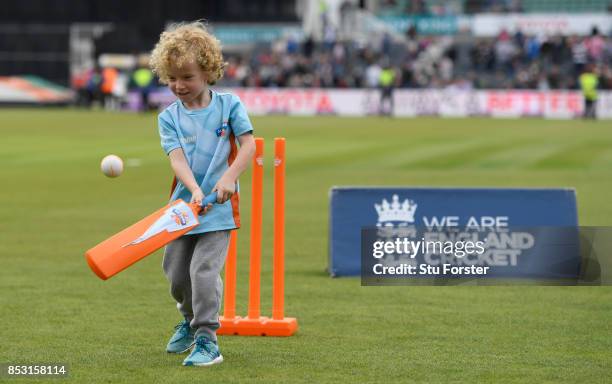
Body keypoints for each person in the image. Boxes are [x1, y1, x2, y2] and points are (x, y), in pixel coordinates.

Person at [149, 21, 256, 367]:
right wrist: (194, 189)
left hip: (220, 209)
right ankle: (189, 319)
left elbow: (249, 146)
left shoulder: (229, 106)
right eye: (172, 78)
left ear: (208, 72)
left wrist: (228, 179)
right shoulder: (169, 118)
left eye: (187, 77)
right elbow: (176, 159)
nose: (179, 85)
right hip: (183, 206)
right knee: (177, 275)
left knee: (203, 272)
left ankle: (208, 339)